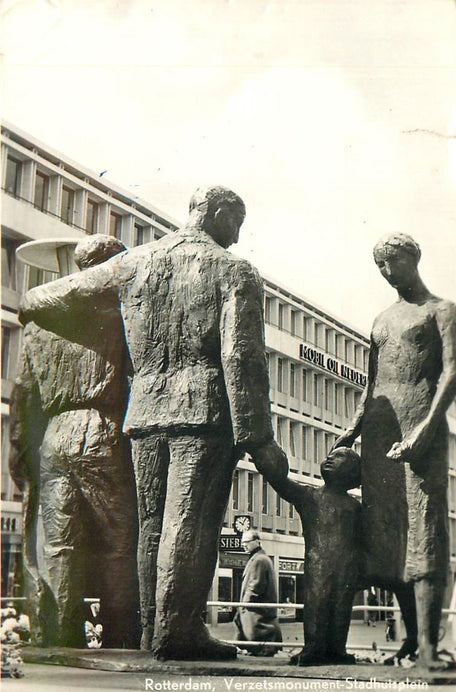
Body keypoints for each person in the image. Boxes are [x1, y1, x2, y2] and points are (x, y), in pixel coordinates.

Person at [18, 186, 289, 660]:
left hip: (144, 413)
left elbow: (46, 295)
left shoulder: (134, 262)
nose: (238, 235)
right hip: (203, 412)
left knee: (150, 525)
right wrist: (258, 438)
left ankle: (150, 631)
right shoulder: (234, 270)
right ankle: (178, 631)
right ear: (219, 214)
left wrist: (27, 305)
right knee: (191, 521)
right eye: (237, 222)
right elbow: (240, 356)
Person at [10, 235, 140, 649]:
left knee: (61, 544)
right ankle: (121, 636)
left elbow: (23, 393)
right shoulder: (118, 312)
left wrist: (19, 449)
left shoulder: (40, 323)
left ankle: (59, 636)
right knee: (120, 541)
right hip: (104, 429)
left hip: (53, 435)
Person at [333, 233, 456, 670]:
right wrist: (351, 430)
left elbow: (451, 374)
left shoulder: (441, 311)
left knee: (425, 534)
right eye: (380, 266)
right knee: (390, 539)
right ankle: (409, 643)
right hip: (381, 435)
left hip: (421, 426)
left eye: (394, 262)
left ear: (413, 258)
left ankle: (426, 646)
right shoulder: (382, 320)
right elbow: (370, 385)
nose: (388, 272)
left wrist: (426, 427)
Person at [262, 447, 361, 665]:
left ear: (353, 471)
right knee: (317, 602)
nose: (329, 458)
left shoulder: (355, 507)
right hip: (319, 563)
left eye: (338, 457)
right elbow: (282, 484)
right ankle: (313, 648)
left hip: (348, 565)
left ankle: (337, 649)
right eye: (329, 455)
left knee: (341, 606)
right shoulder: (311, 496)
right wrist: (264, 459)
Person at [233, 530, 282, 656]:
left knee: (258, 636)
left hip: (256, 612)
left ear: (257, 542)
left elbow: (255, 585)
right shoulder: (261, 558)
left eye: (247, 542)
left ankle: (262, 651)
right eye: (242, 542)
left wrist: (244, 604)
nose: (243, 545)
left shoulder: (259, 560)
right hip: (258, 611)